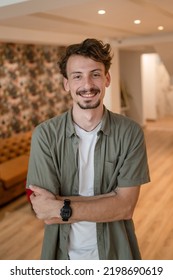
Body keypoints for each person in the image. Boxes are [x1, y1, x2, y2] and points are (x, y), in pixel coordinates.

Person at [26, 38, 150, 260]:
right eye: (77, 76)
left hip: (116, 253)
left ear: (107, 79)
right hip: (62, 255)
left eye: (95, 74)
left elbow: (125, 208)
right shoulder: (45, 135)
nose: (87, 85)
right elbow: (44, 212)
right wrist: (110, 200)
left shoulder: (130, 133)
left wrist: (60, 205)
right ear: (66, 84)